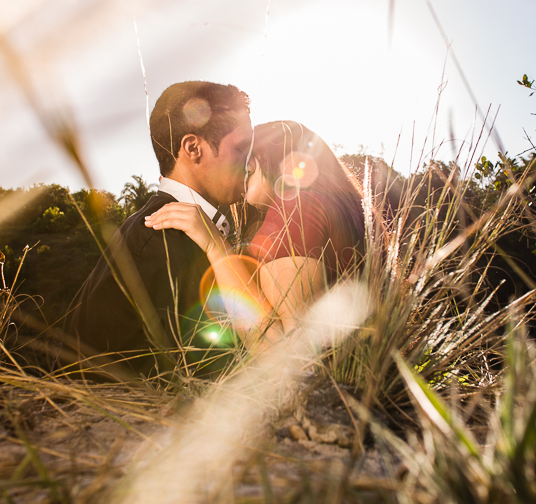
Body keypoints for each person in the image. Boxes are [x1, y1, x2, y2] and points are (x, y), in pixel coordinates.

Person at [63, 80, 252, 377]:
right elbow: (207, 372)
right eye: (241, 148)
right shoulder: (164, 237)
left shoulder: (167, 227)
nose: (251, 162)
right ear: (193, 148)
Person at [143, 120, 366, 347]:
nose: (242, 166)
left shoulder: (295, 209)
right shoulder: (331, 208)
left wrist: (216, 247)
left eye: (248, 151)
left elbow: (286, 351)